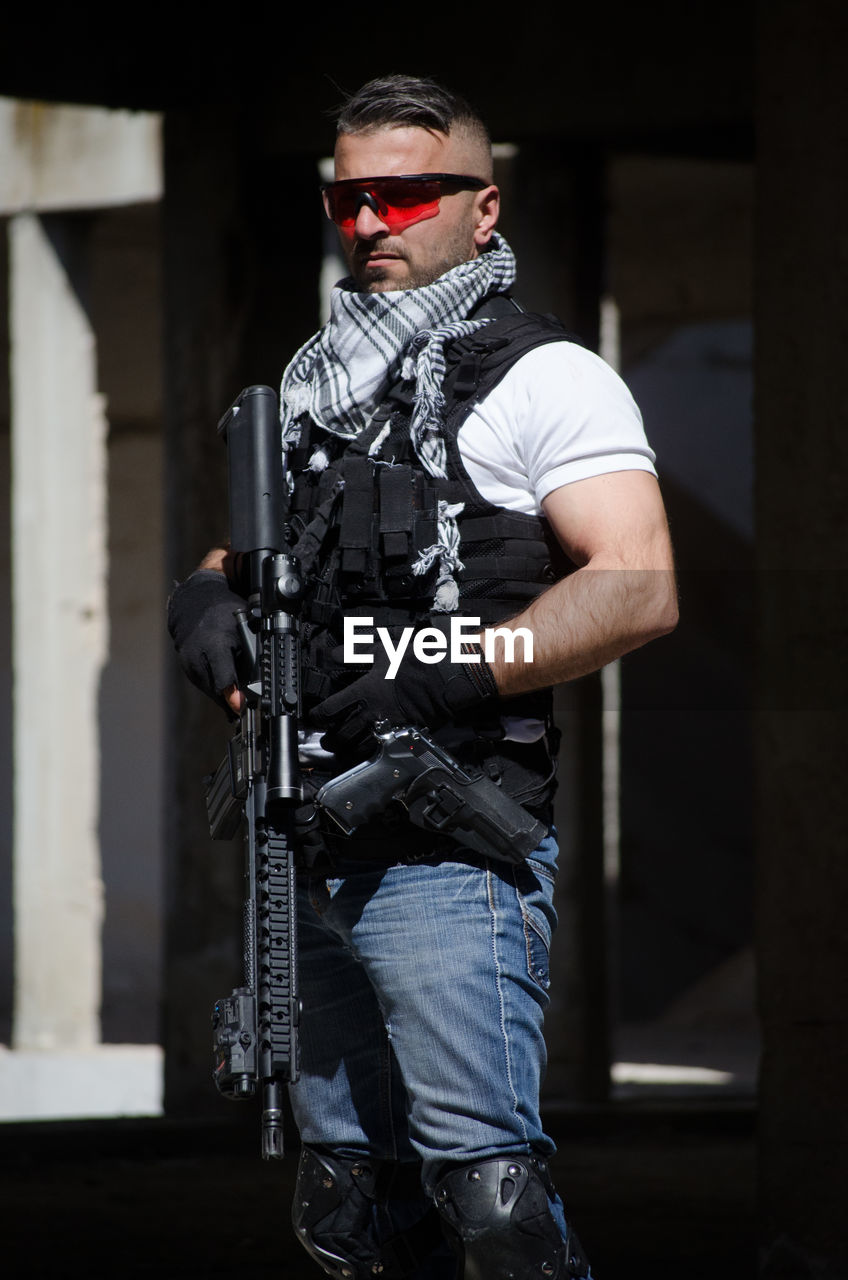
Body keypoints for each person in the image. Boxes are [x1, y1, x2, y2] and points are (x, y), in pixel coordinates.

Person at [168, 74, 677, 1280]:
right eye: (350, 198)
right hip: (304, 828)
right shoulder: (308, 386)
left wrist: (433, 672)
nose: (371, 223)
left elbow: (637, 584)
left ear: (482, 208)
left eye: (406, 194)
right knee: (347, 1202)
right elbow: (240, 565)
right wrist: (208, 607)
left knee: (487, 1196)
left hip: (449, 844)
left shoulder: (544, 377)